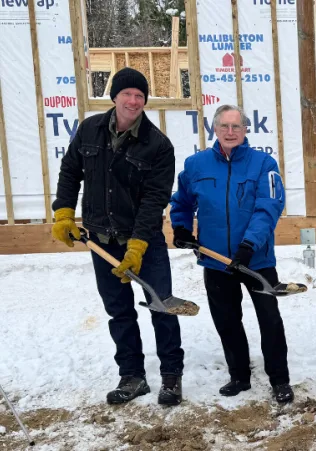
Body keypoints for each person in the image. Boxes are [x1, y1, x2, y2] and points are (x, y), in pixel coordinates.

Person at [51, 67, 184, 406]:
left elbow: (155, 199)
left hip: (144, 242)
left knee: (162, 306)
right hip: (101, 241)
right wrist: (64, 212)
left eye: (140, 96)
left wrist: (138, 244)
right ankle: (132, 376)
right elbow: (70, 172)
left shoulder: (158, 145)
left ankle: (171, 376)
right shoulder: (89, 130)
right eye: (127, 94)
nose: (134, 100)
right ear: (115, 96)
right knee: (119, 312)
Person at [169, 105, 294, 404]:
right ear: (214, 128)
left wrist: (249, 244)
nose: (230, 132)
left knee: (270, 320)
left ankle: (280, 379)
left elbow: (270, 205)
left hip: (256, 259)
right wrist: (182, 228)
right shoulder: (196, 165)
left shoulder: (264, 164)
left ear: (246, 130)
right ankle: (239, 375)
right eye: (224, 126)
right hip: (216, 261)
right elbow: (182, 201)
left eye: (236, 126)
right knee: (226, 320)